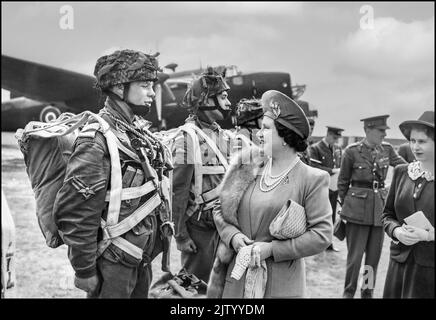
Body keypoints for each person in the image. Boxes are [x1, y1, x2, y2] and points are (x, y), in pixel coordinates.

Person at [53, 49, 173, 298]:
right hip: (113, 264)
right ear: (119, 87)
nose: (152, 92)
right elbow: (76, 212)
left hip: (138, 259)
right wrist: (85, 270)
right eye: (144, 86)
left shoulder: (135, 132)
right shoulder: (96, 140)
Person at [209, 90, 332, 298]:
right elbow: (219, 208)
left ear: (285, 135)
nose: (258, 134)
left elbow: (322, 235)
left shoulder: (311, 178)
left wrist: (272, 249)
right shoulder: (246, 163)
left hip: (280, 285)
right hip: (235, 281)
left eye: (266, 128)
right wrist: (233, 236)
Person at [171, 67, 233, 283]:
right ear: (206, 99)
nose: (228, 103)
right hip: (200, 230)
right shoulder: (186, 138)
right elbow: (177, 191)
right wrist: (180, 235)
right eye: (223, 97)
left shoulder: (222, 135)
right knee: (196, 286)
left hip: (224, 226)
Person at [337, 114, 407, 298]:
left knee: (372, 260)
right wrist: (345, 209)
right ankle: (348, 292)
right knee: (355, 258)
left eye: (385, 131)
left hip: (378, 212)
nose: (384, 135)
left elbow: (405, 168)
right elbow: (342, 183)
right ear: (367, 130)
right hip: (356, 211)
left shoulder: (387, 149)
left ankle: (366, 292)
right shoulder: (351, 152)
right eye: (380, 131)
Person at [382, 111, 434, 298]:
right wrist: (396, 232)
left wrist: (427, 235)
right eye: (412, 141)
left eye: (422, 141)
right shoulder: (401, 172)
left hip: (429, 270)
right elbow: (387, 215)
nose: (415, 146)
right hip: (398, 261)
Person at [309, 126, 344, 251]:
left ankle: (328, 244)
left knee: (332, 216)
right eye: (334, 137)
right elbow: (313, 166)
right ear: (328, 134)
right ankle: (316, 244)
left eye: (337, 138)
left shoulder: (337, 149)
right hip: (321, 188)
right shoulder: (316, 148)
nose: (336, 140)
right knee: (319, 217)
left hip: (333, 188)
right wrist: (332, 170)